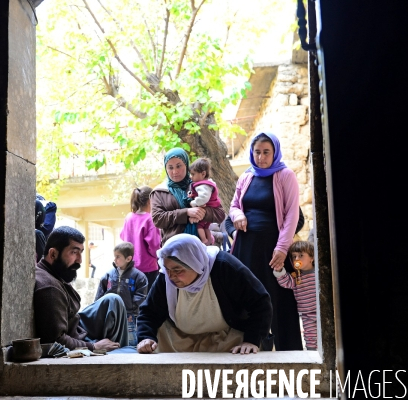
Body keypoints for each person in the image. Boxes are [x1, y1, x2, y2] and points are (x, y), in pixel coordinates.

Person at [228, 132, 303, 351]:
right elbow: (233, 205)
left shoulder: (285, 175)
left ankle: (289, 352)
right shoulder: (247, 176)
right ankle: (251, 345)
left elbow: (292, 215)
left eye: (266, 152)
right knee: (247, 297)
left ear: (275, 153)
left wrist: (282, 248)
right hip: (246, 248)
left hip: (273, 249)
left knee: (279, 300)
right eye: (257, 152)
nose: (261, 157)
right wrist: (238, 216)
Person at [136, 234, 272, 354]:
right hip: (181, 339)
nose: (171, 276)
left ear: (194, 263)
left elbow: (260, 302)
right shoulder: (165, 278)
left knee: (244, 350)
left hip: (226, 337)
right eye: (167, 269)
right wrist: (146, 337)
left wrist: (251, 340)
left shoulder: (225, 267)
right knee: (155, 340)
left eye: (177, 270)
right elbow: (149, 311)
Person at [34, 226, 129, 351]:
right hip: (76, 340)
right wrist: (93, 346)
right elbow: (56, 340)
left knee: (113, 300)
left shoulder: (54, 272)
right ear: (53, 254)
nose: (79, 260)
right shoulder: (50, 288)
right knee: (127, 351)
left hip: (77, 327)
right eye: (74, 252)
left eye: (81, 252)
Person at [150, 148, 225, 246]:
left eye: (178, 166)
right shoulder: (159, 192)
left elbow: (220, 214)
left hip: (202, 247)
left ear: (186, 164)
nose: (175, 171)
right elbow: (158, 219)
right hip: (174, 250)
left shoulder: (201, 186)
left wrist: (203, 212)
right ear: (166, 168)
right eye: (170, 167)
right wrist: (186, 213)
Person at [95, 242, 148, 347]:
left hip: (129, 316)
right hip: (110, 314)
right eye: (114, 256)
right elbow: (100, 293)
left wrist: (131, 308)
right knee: (110, 337)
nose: (115, 259)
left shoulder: (139, 276)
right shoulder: (108, 275)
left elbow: (141, 296)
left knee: (130, 341)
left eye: (118, 257)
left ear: (128, 259)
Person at [273, 240, 317, 350]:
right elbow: (285, 282)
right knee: (311, 339)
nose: (297, 259)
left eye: (301, 255)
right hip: (307, 314)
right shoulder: (296, 277)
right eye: (294, 256)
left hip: (322, 311)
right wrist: (279, 270)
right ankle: (313, 357)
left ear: (312, 257)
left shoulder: (319, 273)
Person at [120, 186, 162, 288]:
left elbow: (122, 236)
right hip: (148, 268)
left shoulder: (129, 217)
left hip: (130, 267)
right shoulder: (149, 219)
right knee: (148, 300)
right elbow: (154, 246)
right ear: (149, 201)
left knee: (134, 299)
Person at [186, 158, 222, 245]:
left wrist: (193, 203)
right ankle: (209, 239)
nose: (191, 177)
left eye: (193, 174)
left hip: (208, 207)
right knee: (206, 227)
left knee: (200, 226)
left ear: (203, 174)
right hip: (212, 208)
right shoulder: (207, 183)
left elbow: (203, 197)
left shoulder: (202, 185)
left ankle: (204, 240)